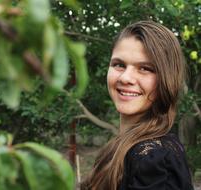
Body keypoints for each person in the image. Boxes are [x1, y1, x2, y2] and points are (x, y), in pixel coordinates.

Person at [81, 21, 194, 190]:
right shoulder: (122, 146)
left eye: (145, 68)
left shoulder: (153, 159)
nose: (125, 78)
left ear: (167, 79)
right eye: (119, 65)